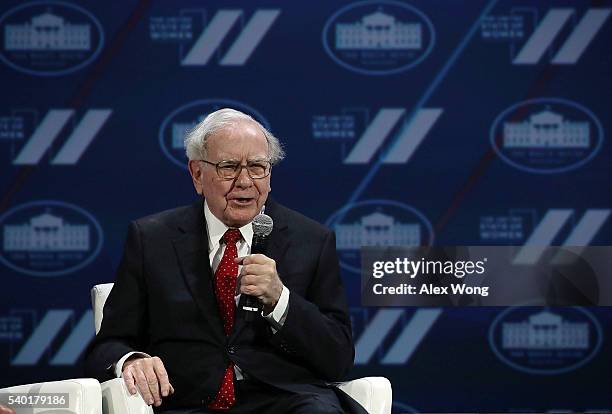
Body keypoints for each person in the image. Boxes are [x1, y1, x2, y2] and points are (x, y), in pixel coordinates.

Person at [84, 108, 366, 413]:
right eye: (229, 167)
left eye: (257, 167)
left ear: (269, 176)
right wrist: (132, 360)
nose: (244, 181)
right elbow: (107, 345)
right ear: (197, 174)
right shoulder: (152, 239)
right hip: (187, 401)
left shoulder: (311, 240)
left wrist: (280, 301)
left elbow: (337, 358)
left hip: (285, 401)